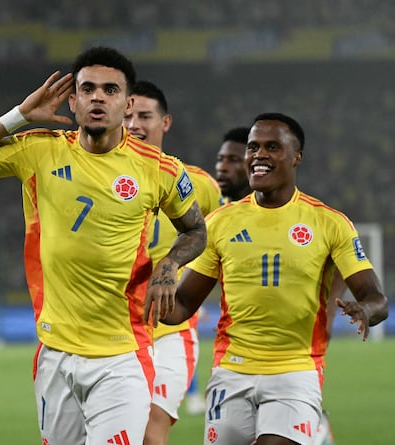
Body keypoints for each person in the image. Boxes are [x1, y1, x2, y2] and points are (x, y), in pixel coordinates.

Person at [0, 46, 207, 445]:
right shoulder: (39, 149)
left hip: (122, 357)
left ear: (127, 102)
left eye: (111, 90)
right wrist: (20, 115)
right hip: (55, 353)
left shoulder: (160, 169)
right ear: (73, 100)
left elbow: (195, 231)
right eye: (88, 88)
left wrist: (169, 266)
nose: (98, 97)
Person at [161, 113, 388, 445]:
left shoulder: (329, 223)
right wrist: (138, 297)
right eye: (253, 147)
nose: (258, 155)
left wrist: (366, 310)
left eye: (272, 147)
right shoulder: (221, 223)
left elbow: (375, 295)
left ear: (297, 157)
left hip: (296, 369)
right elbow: (182, 304)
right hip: (232, 370)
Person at [214, 125, 343, 444]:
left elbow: (338, 256)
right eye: (221, 159)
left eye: (231, 159)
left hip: (293, 362)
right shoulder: (217, 213)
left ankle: (312, 424)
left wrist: (329, 306)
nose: (223, 167)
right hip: (234, 361)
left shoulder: (307, 217)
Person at [123, 80, 221, 444]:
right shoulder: (96, 178)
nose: (134, 124)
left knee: (151, 427)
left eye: (145, 116)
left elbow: (225, 243)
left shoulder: (199, 186)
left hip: (169, 330)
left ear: (165, 122)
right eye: (128, 115)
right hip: (112, 331)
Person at [215, 127, 252, 203]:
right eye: (220, 159)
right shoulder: (214, 210)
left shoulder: (274, 211)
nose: (222, 168)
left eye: (233, 160)